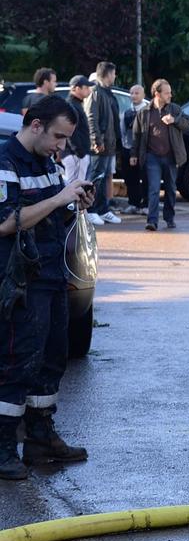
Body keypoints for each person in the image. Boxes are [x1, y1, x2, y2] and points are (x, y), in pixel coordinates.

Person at [0, 96, 94, 480]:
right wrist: (59, 198)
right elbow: (5, 223)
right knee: (18, 362)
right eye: (58, 136)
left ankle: (40, 437)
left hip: (52, 275)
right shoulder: (6, 163)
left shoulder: (47, 163)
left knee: (53, 358)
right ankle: (4, 447)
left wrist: (76, 202)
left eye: (66, 138)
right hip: (23, 281)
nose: (62, 145)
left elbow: (54, 212)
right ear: (35, 125)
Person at [131, 79, 189, 232]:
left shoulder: (174, 109)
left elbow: (188, 125)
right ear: (157, 94)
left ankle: (169, 217)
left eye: (170, 92)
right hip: (152, 156)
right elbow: (136, 135)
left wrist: (174, 120)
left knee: (171, 188)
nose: (170, 95)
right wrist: (134, 154)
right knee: (154, 188)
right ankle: (152, 220)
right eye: (167, 93)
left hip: (170, 156)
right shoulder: (144, 112)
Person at [84, 61, 122, 224]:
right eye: (113, 73)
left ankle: (103, 209)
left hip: (109, 143)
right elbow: (91, 118)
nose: (115, 76)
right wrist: (96, 140)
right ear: (107, 74)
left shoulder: (107, 93)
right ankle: (90, 209)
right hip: (100, 145)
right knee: (96, 177)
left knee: (104, 177)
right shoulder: (95, 92)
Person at [62, 76, 94, 213]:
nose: (89, 90)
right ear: (76, 88)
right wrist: (79, 151)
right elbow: (71, 131)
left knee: (77, 185)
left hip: (78, 152)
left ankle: (76, 214)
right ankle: (73, 215)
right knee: (75, 186)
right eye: (86, 87)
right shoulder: (71, 105)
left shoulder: (76, 104)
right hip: (75, 153)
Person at [120, 84, 149, 214]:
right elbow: (123, 132)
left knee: (146, 178)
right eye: (131, 93)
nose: (134, 96)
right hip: (128, 149)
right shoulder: (126, 113)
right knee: (130, 178)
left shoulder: (148, 111)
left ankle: (146, 205)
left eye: (137, 93)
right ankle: (133, 203)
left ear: (143, 95)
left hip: (144, 150)